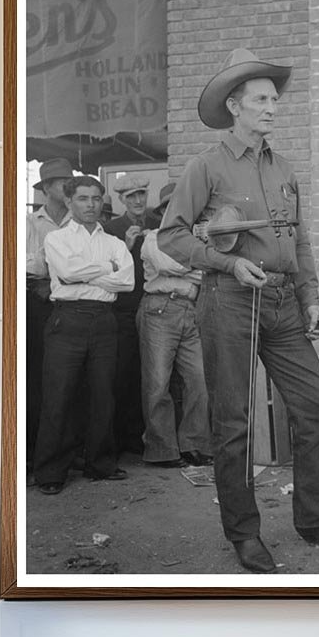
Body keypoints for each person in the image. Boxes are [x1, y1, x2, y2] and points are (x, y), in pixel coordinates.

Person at [160, 47, 319, 574]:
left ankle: (317, 517)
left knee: (318, 407)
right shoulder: (205, 166)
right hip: (229, 300)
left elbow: (298, 240)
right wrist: (226, 266)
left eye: (274, 99)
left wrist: (310, 299)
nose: (272, 108)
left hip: (282, 302)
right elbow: (171, 236)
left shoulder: (285, 168)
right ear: (235, 106)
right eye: (261, 99)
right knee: (234, 424)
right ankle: (244, 534)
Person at [33, 175, 134, 494]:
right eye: (82, 199)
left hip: (104, 321)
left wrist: (89, 275)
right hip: (68, 320)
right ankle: (50, 472)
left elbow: (128, 282)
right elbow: (67, 273)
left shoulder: (114, 243)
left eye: (95, 199)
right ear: (69, 201)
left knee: (103, 393)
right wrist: (107, 270)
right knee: (59, 395)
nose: (90, 205)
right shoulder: (58, 239)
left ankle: (100, 464)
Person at [137, 182, 211, 469]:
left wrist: (200, 266)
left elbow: (206, 274)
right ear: (164, 211)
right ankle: (161, 449)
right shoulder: (154, 238)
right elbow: (172, 266)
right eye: (170, 207)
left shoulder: (195, 242)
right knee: (157, 383)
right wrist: (201, 263)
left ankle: (194, 445)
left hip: (190, 309)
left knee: (200, 380)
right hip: (159, 308)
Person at [105, 174, 161, 456]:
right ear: (121, 200)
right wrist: (125, 247)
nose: (138, 200)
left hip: (156, 307)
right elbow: (105, 270)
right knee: (125, 372)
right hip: (124, 310)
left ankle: (145, 436)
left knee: (153, 374)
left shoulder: (157, 223)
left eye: (142, 194)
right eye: (131, 196)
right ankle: (124, 438)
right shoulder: (111, 228)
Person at [24, 158, 74, 467]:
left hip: (67, 301)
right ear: (45, 189)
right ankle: (32, 453)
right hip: (38, 302)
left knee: (67, 378)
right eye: (60, 183)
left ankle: (69, 450)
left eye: (69, 183)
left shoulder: (78, 220)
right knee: (36, 376)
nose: (66, 188)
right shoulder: (30, 222)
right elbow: (30, 266)